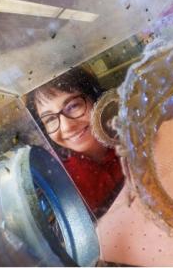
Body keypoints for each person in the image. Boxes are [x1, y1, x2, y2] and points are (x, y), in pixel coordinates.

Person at [26, 67, 124, 218]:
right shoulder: (60, 181)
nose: (67, 126)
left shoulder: (132, 133)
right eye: (50, 119)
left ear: (96, 99)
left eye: (72, 106)